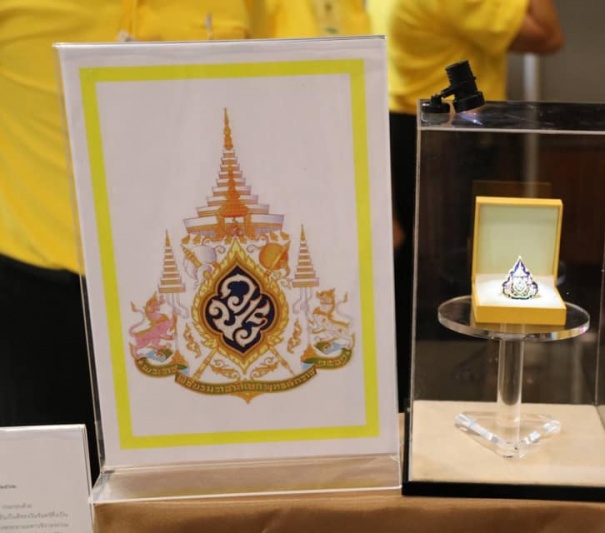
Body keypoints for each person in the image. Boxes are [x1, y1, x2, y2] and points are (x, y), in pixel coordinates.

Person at [0, 0, 370, 481]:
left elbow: (288, 97)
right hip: (43, 286)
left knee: (197, 489)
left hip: (198, 292)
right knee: (52, 488)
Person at [369, 0, 564, 411]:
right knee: (451, 275)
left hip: (403, 123)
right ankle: (439, 401)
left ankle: (407, 399)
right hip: (447, 136)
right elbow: (548, 35)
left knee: (413, 278)